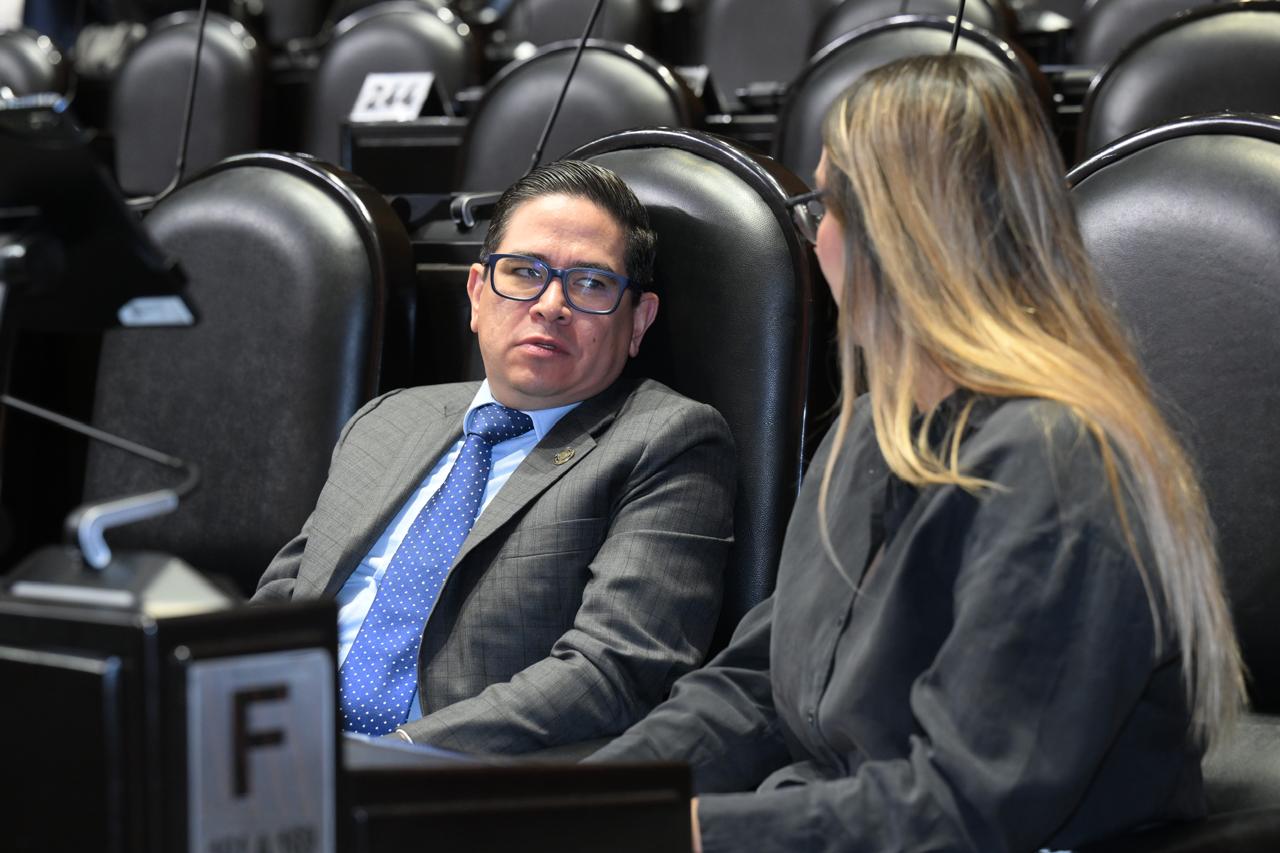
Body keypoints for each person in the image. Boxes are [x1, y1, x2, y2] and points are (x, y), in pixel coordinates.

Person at [589, 55, 1246, 852]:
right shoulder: (872, 427)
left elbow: (963, 807)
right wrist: (594, 800)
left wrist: (688, 830)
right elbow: (756, 688)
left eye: (823, 207)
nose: (815, 238)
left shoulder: (1057, 463)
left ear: (898, 235)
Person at [253, 160, 735, 754]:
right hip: (276, 749)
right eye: (525, 272)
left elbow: (613, 671)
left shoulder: (668, 441)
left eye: (590, 283)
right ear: (478, 295)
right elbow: (282, 598)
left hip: (448, 780)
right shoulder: (386, 421)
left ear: (639, 321)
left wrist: (386, 759)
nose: (551, 304)